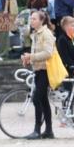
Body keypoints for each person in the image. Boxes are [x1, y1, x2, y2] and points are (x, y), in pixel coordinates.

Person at [21, 10, 55, 139]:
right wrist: (28, 58)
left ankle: (37, 130)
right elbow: (37, 54)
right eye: (31, 18)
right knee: (43, 100)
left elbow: (48, 53)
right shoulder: (35, 34)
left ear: (41, 21)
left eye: (34, 19)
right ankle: (49, 130)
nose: (31, 21)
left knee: (36, 99)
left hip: (45, 70)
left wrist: (32, 56)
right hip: (39, 70)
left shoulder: (46, 34)